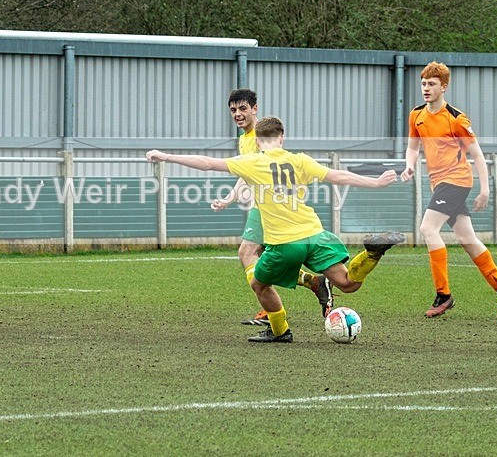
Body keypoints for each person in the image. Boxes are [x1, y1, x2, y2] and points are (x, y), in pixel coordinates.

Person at [147, 116, 405, 343]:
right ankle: (372, 253)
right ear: (282, 138)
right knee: (348, 283)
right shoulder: (300, 160)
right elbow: (337, 176)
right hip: (316, 234)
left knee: (259, 283)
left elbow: (206, 163)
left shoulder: (252, 162)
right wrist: (376, 183)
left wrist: (166, 157)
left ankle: (280, 331)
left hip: (285, 244)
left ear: (258, 141)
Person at [400, 62, 497, 318]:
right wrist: (409, 166)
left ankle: (444, 295)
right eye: (423, 84)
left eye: (432, 84)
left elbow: (476, 154)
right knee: (468, 240)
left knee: (427, 229)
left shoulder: (456, 118)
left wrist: (485, 189)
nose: (426, 88)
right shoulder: (416, 115)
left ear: (444, 86)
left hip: (456, 181)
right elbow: (412, 147)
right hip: (439, 183)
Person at [211, 89, 333, 324]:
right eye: (233, 110)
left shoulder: (261, 138)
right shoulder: (244, 139)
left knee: (247, 253)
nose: (238, 114)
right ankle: (314, 282)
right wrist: (231, 197)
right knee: (265, 256)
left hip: (271, 208)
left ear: (255, 109)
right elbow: (245, 172)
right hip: (265, 207)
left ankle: (272, 312)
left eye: (243, 108)